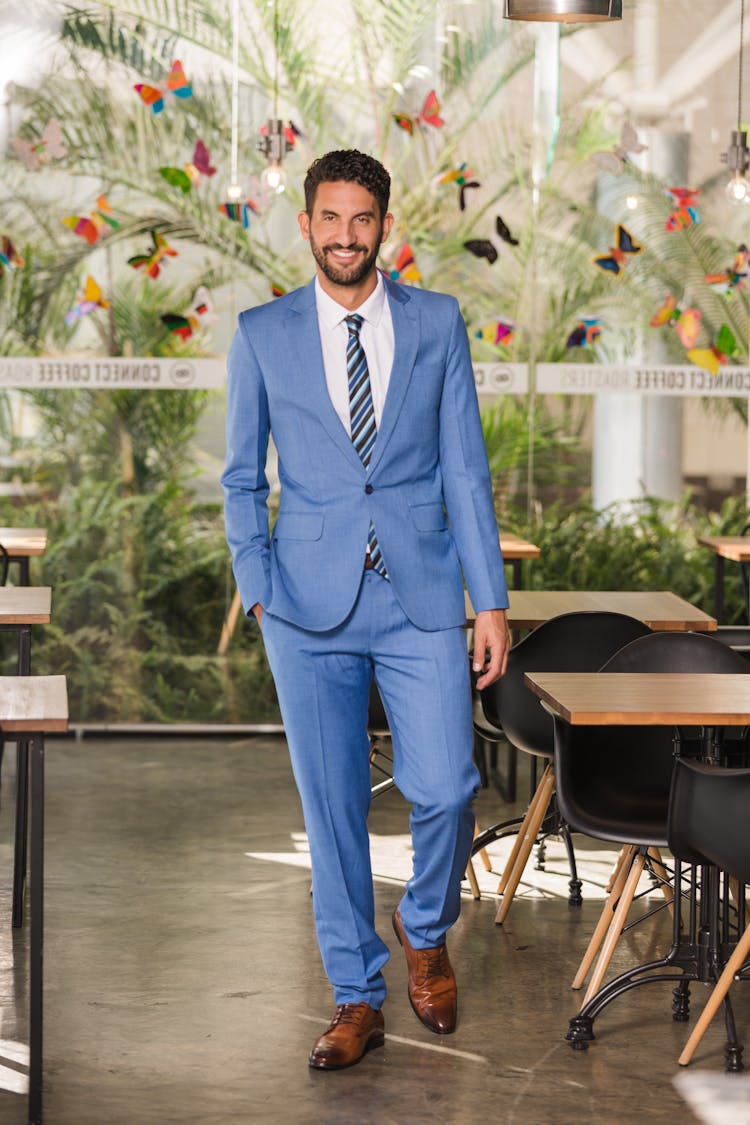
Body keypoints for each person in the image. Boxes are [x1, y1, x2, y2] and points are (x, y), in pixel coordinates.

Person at [222, 149, 510, 1070]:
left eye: (363, 219)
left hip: (420, 594)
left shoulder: (437, 322)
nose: (346, 236)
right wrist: (258, 586)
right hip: (304, 607)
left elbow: (464, 467)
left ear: (386, 226)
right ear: (305, 224)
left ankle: (424, 926)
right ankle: (356, 994)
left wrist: (490, 601)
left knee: (450, 784)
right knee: (333, 807)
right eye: (330, 219)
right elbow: (239, 477)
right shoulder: (261, 332)